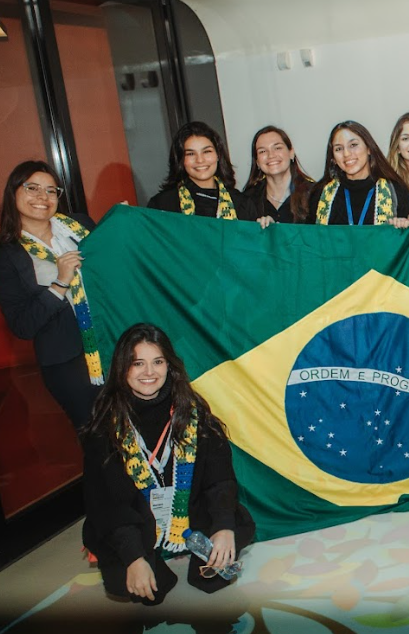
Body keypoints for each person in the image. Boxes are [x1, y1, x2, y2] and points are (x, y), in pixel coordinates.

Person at [82, 323, 255, 605]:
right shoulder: (104, 426)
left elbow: (219, 477)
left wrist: (223, 527)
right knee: (142, 591)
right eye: (138, 363)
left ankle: (203, 549)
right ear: (122, 368)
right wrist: (134, 558)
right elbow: (107, 503)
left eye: (157, 362)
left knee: (222, 559)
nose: (149, 372)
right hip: (136, 519)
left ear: (169, 366)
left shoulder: (192, 410)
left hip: (188, 512)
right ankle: (149, 560)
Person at [0, 160, 101, 430]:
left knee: (141, 426)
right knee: (98, 440)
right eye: (32, 188)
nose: (42, 198)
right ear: (13, 193)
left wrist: (123, 227)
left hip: (113, 343)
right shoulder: (7, 254)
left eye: (51, 190)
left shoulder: (80, 226)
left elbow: (112, 269)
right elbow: (22, 325)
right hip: (66, 363)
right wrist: (60, 283)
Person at [307, 121, 409, 226]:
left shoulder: (395, 191)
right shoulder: (321, 194)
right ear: (333, 159)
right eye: (338, 149)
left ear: (369, 148)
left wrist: (403, 226)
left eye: (353, 145)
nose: (347, 154)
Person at [146, 121, 256, 220]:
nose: (200, 160)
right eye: (191, 154)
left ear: (218, 155)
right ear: (181, 160)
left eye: (207, 151)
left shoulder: (242, 204)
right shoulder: (163, 205)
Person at [242, 125, 315, 225]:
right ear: (257, 162)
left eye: (277, 148)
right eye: (262, 151)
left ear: (291, 153)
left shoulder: (314, 193)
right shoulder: (248, 199)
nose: (271, 155)